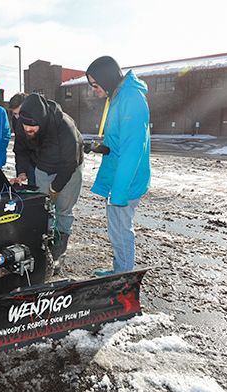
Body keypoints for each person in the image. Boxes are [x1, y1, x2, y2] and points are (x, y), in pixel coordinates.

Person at [85, 56, 151, 276]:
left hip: (127, 180)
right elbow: (118, 142)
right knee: (116, 228)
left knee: (121, 229)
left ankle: (122, 278)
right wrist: (99, 148)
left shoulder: (131, 98)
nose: (93, 89)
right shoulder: (117, 96)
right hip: (118, 177)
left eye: (95, 84)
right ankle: (119, 271)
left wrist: (120, 191)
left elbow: (133, 149)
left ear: (106, 78)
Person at [10, 93, 84, 276]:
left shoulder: (64, 126)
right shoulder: (22, 124)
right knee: (44, 210)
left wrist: (55, 188)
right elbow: (21, 150)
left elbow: (69, 163)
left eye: (31, 125)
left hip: (69, 169)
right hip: (42, 167)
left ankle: (58, 255)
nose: (27, 128)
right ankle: (44, 252)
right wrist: (22, 172)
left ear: (42, 121)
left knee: (62, 211)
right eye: (24, 124)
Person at [8, 92, 36, 186]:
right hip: (32, 162)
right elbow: (20, 148)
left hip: (55, 165)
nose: (18, 118)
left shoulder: (43, 119)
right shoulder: (17, 121)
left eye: (20, 113)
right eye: (15, 114)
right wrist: (22, 172)